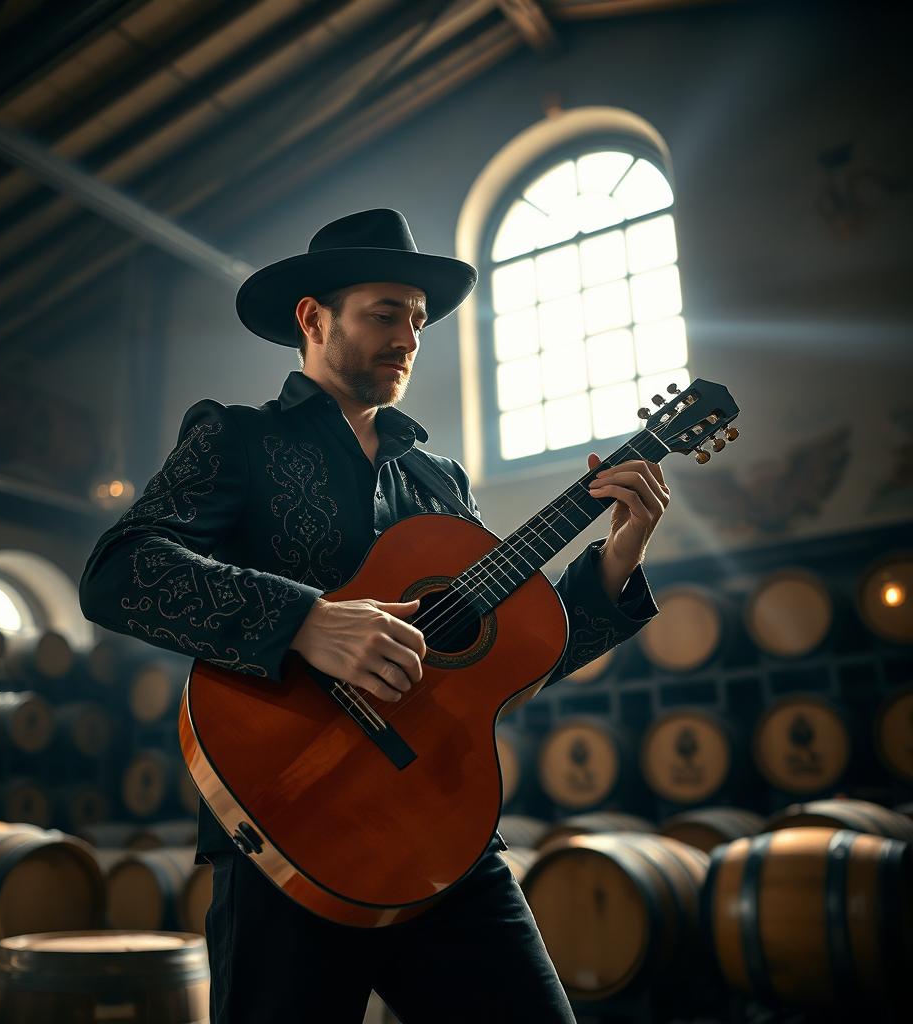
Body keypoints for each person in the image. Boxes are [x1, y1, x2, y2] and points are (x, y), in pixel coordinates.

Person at [79, 208, 669, 1023]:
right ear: (313, 318)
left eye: (418, 321)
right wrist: (307, 621)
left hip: (442, 834)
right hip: (289, 828)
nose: (408, 337)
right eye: (385, 313)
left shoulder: (441, 484)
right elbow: (120, 571)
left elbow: (505, 663)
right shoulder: (238, 439)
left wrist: (618, 560)